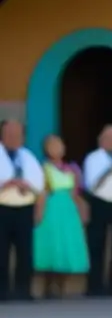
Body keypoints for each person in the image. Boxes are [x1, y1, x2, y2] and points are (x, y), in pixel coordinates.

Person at [33, 134, 90, 298]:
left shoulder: (71, 169)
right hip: (52, 210)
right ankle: (48, 285)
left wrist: (82, 210)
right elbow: (42, 193)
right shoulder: (44, 168)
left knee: (67, 244)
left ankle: (61, 284)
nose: (57, 148)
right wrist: (39, 213)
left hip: (68, 211)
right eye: (52, 145)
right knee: (52, 243)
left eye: (59, 145)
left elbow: (75, 193)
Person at [82, 125, 112, 297]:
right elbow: (91, 185)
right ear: (100, 140)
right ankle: (94, 285)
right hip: (100, 203)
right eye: (108, 137)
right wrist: (109, 171)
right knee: (97, 243)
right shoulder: (93, 158)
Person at [0, 119, 45, 301]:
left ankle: (23, 290)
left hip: (24, 209)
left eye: (18, 134)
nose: (14, 137)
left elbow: (40, 187)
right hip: (2, 208)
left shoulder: (28, 156)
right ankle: (2, 291)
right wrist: (7, 184)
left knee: (25, 252)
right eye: (10, 134)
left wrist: (37, 207)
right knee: (1, 253)